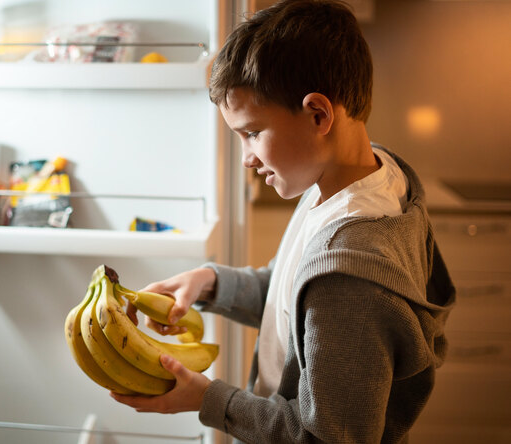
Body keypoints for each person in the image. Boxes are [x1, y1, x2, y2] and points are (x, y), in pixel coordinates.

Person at [111, 0, 456, 442]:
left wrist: (208, 399)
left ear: (318, 115)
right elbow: (293, 293)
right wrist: (209, 282)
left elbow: (325, 437)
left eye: (252, 133)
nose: (246, 159)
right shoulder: (355, 178)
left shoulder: (352, 276)